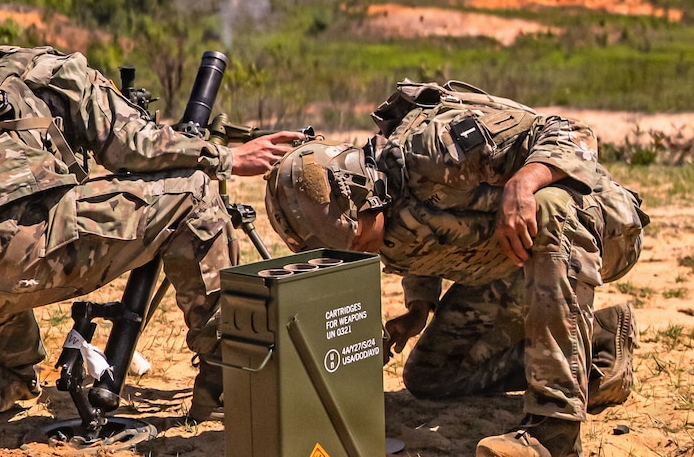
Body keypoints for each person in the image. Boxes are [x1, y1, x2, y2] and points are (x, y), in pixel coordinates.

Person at [0, 43, 303, 457]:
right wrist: (228, 158)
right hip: (5, 248)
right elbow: (130, 145)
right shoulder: (55, 69)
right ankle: (227, 378)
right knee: (194, 194)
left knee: (12, 376)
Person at [264, 79, 649, 457]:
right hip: (515, 261)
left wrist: (523, 184)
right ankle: (599, 344)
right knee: (431, 375)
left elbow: (573, 132)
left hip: (603, 227)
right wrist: (419, 307)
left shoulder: (438, 148)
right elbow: (423, 231)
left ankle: (555, 431)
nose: (359, 250)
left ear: (367, 193)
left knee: (549, 207)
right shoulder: (371, 214)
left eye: (357, 240)